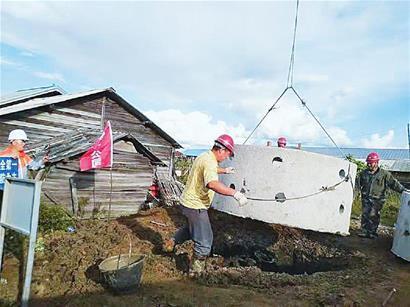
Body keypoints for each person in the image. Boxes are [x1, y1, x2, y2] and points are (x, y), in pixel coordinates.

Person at [164, 134, 247, 275]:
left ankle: (170, 243)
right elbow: (212, 184)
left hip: (187, 203)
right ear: (221, 150)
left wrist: (224, 171)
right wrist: (235, 193)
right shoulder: (210, 162)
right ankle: (195, 273)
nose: (226, 158)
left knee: (191, 229)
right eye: (227, 154)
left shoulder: (205, 157)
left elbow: (209, 169)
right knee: (205, 240)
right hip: (195, 206)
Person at [356, 152, 408, 239]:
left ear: (376, 163)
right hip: (366, 197)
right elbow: (357, 184)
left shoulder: (384, 174)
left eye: (371, 163)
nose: (369, 164)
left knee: (374, 215)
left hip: (377, 199)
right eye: (368, 162)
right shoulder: (363, 173)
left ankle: (372, 232)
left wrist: (403, 190)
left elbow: (394, 184)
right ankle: (365, 231)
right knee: (365, 215)